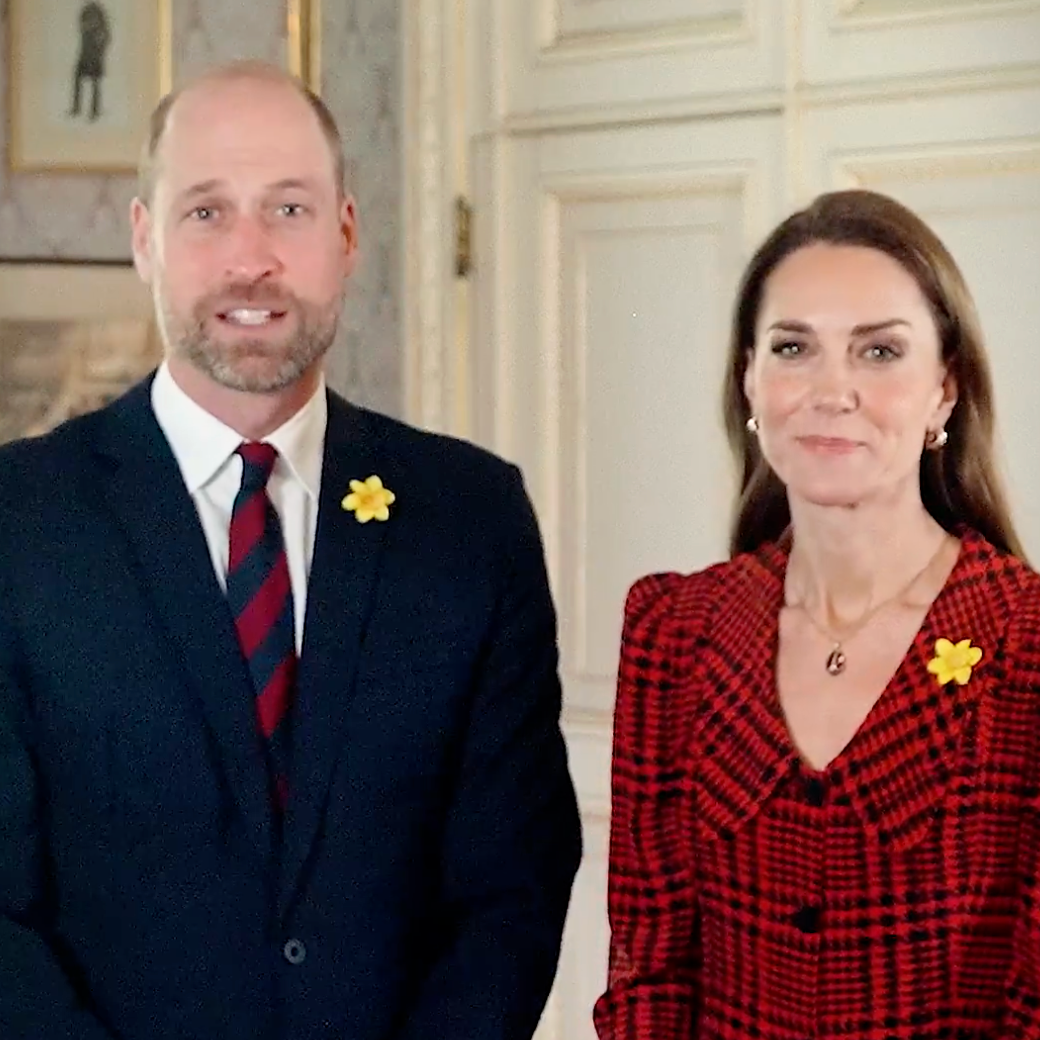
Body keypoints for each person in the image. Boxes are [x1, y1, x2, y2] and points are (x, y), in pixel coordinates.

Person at [0, 61, 581, 1040]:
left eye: (289, 209)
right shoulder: (20, 519)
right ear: (144, 238)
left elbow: (510, 887)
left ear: (347, 233)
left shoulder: (471, 519)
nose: (250, 257)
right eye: (206, 213)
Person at [592, 188, 1040, 1038]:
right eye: (794, 347)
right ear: (750, 381)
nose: (831, 389)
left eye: (879, 352)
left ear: (944, 390)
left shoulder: (1024, 642)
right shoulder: (675, 632)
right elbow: (646, 971)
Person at [69, 1, 112, 122]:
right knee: (77, 79)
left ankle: (94, 111)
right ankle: (76, 108)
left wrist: (100, 49)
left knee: (95, 83)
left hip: (95, 55)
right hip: (84, 52)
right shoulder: (86, 10)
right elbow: (81, 25)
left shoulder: (99, 11)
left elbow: (106, 33)